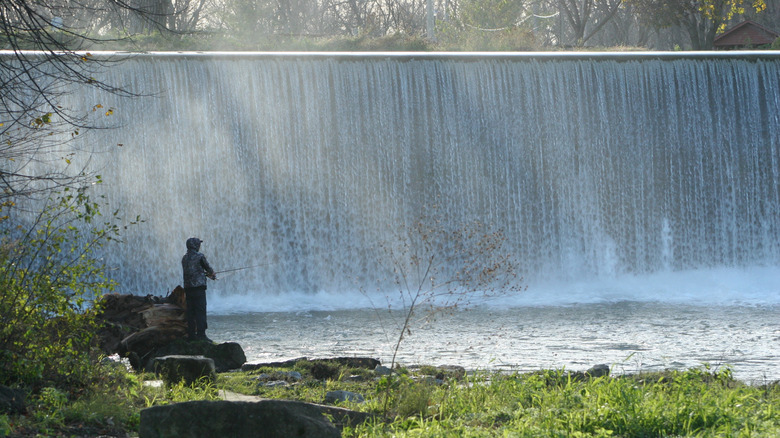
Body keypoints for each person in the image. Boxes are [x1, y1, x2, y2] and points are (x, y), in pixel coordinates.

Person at [182, 237, 217, 342]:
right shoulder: (200, 256)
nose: (199, 246)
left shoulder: (184, 258)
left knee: (191, 312)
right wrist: (212, 274)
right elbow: (208, 268)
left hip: (188, 288)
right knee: (200, 311)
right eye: (198, 244)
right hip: (199, 289)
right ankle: (201, 335)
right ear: (195, 246)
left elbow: (193, 271)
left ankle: (191, 335)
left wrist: (205, 274)